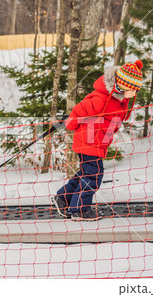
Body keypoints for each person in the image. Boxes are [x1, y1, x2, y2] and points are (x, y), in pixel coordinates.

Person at [52, 60, 143, 221]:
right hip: (88, 142)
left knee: (86, 173)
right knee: (93, 176)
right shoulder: (101, 100)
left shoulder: (119, 101)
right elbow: (78, 111)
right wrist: (70, 124)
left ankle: (63, 198)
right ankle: (79, 210)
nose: (134, 94)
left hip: (96, 143)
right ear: (121, 87)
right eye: (132, 90)